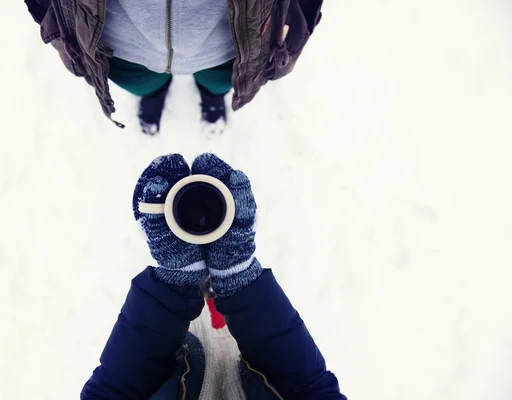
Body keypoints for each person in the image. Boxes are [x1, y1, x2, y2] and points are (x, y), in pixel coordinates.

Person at [80, 153, 347, 399]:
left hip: (180, 364)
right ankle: (219, 282)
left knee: (202, 313)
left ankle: (197, 281)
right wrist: (239, 275)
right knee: (222, 310)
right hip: (253, 369)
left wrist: (176, 280)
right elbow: (314, 390)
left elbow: (108, 394)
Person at [24, 0, 323, 134]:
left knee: (218, 82)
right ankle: (154, 94)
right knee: (144, 83)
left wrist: (295, 27)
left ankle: (211, 96)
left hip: (232, 47)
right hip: (122, 48)